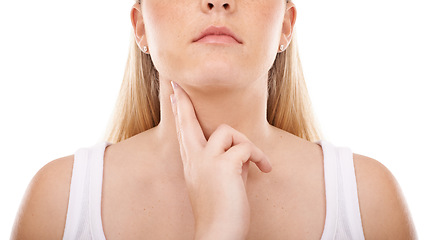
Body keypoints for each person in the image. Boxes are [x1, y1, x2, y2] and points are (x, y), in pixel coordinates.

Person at [11, 0, 417, 239]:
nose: (218, 0)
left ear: (286, 26)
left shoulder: (369, 202)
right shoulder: (58, 204)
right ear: (140, 28)